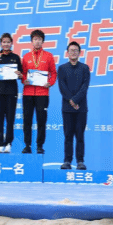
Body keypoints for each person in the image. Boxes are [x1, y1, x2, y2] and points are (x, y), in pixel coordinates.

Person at [21, 29, 57, 154]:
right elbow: (23, 74)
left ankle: (40, 146)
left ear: (43, 41)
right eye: (35, 39)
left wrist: (50, 83)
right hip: (28, 93)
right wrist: (24, 80)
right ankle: (27, 145)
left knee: (41, 120)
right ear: (32, 41)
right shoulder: (26, 57)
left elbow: (53, 73)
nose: (37, 41)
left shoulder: (48, 56)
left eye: (39, 39)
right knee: (27, 120)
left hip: (43, 93)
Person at [58, 41, 90, 170]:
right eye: (71, 50)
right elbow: (62, 87)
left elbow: (85, 87)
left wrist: (75, 100)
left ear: (79, 53)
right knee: (68, 136)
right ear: (67, 53)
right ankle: (67, 161)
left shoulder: (85, 68)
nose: (73, 52)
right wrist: (71, 101)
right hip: (67, 108)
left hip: (81, 108)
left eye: (76, 50)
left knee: (80, 136)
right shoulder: (62, 68)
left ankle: (80, 161)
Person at [0, 33, 23, 153]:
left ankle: (8, 143)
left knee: (10, 118)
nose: (6, 44)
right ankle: (0, 144)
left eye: (8, 42)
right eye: (4, 42)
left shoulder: (16, 57)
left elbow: (21, 75)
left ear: (11, 43)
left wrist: (19, 74)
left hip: (11, 91)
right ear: (0, 43)